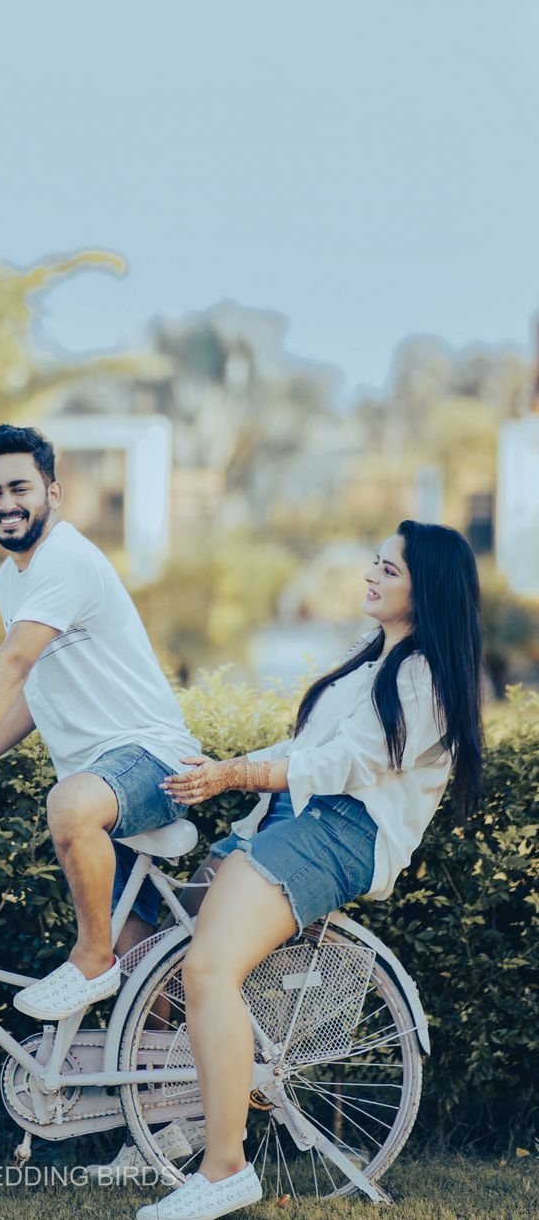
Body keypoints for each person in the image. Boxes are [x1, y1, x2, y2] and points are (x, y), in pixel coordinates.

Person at [130, 521, 484, 1220]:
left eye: (390, 569)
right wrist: (224, 768)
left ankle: (225, 1168)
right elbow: (308, 745)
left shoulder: (427, 678)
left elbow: (347, 764)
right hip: (293, 819)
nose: (372, 575)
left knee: (207, 969)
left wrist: (241, 774)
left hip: (339, 830)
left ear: (428, 590)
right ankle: (184, 1120)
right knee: (167, 960)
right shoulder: (372, 656)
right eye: (375, 562)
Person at [0, 422, 199, 1021]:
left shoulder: (64, 557)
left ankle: (91, 961)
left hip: (150, 760)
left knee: (68, 806)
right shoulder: (11, 579)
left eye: (20, 488)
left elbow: (12, 662)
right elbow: (34, 694)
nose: (7, 504)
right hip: (104, 784)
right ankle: (166, 1096)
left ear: (52, 494)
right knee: (146, 980)